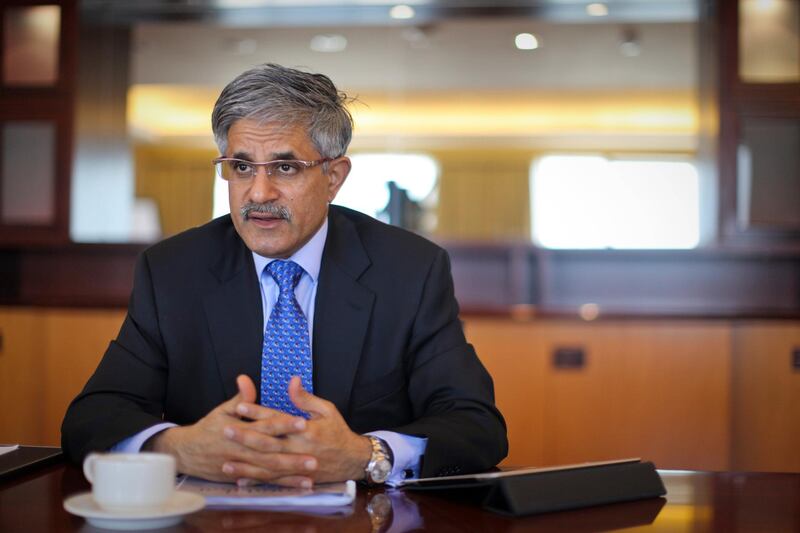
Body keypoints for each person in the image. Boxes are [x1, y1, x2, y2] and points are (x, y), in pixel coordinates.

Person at [61, 63, 507, 487]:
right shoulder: (173, 270)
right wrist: (176, 448)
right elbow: (93, 416)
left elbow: (476, 425)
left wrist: (366, 454)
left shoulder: (409, 270)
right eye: (240, 167)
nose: (258, 193)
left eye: (285, 167)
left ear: (334, 176)